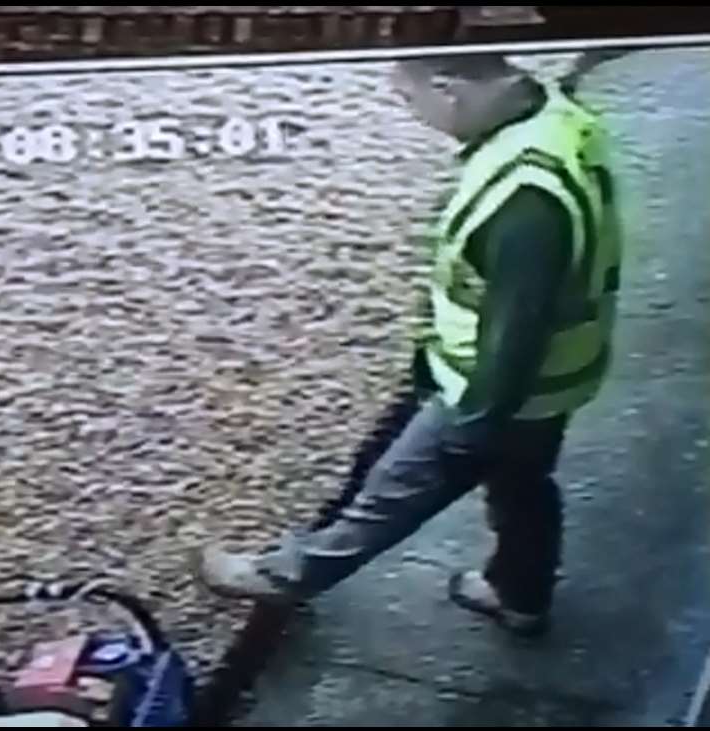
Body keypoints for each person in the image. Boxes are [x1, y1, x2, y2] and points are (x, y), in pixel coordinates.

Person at [196, 53, 624, 638]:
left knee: (391, 493)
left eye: (408, 100)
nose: (413, 115)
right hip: (559, 380)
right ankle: (521, 594)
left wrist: (475, 424)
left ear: (448, 92)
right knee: (524, 486)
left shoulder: (524, 196)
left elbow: (516, 327)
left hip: (495, 387)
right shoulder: (556, 121)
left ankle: (285, 576)